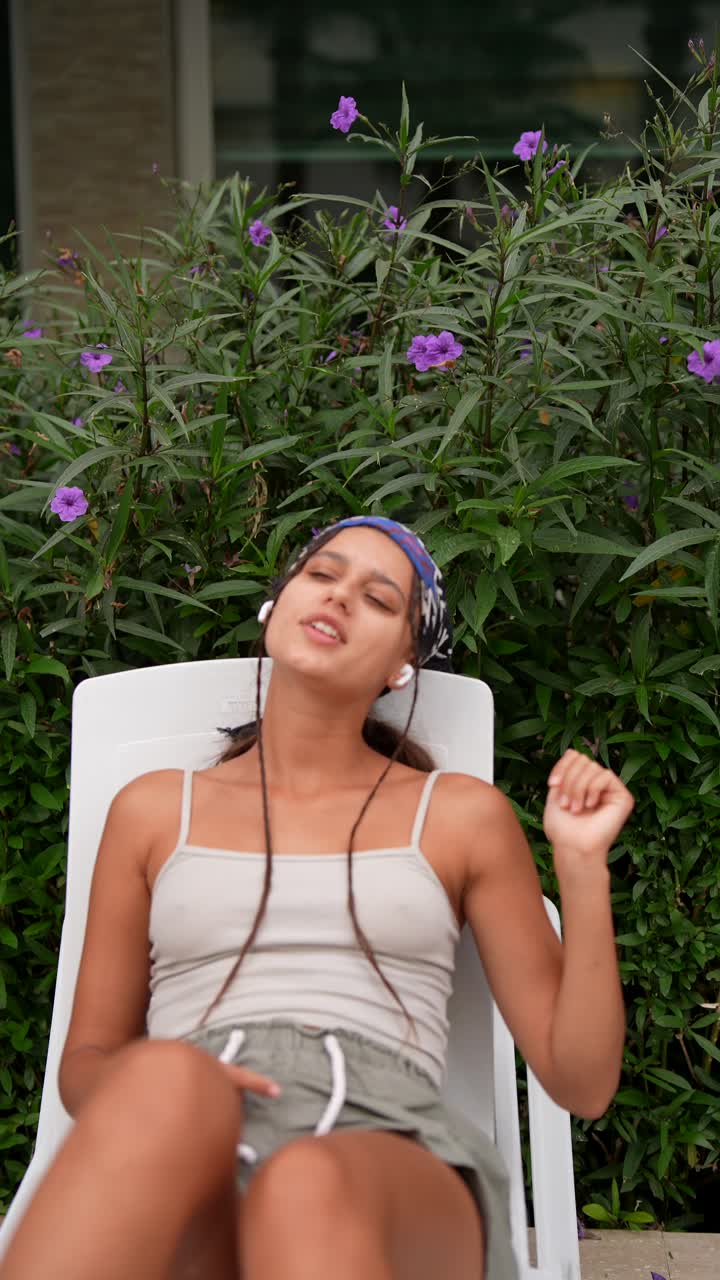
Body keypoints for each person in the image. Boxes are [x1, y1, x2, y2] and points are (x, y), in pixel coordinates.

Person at [0, 516, 634, 1280]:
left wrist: (582, 868)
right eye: (322, 575)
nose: (337, 598)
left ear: (404, 663)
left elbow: (581, 1082)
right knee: (170, 1079)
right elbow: (88, 1060)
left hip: (389, 1144)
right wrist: (156, 1089)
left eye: (378, 598)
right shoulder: (152, 810)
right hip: (193, 1130)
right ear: (277, 605)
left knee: (305, 1184)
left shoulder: (461, 815)